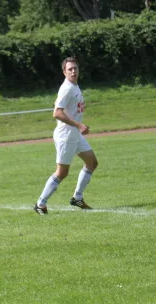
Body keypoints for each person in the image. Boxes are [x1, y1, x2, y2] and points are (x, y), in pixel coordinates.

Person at [34, 57, 99, 215]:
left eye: (75, 68)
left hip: (75, 135)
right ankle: (40, 204)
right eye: (69, 69)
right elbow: (56, 113)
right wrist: (78, 125)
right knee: (62, 172)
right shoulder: (67, 88)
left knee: (92, 163)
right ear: (64, 72)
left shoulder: (74, 86)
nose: (73, 71)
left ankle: (77, 198)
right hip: (66, 137)